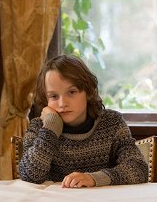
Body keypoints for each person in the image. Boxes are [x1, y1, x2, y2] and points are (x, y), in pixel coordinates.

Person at [18, 54, 148, 187]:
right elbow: (29, 175)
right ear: (46, 99)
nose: (62, 103)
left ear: (88, 91)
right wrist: (50, 129)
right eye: (54, 96)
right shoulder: (39, 127)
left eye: (72, 92)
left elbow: (139, 169)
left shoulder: (112, 123)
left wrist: (94, 178)